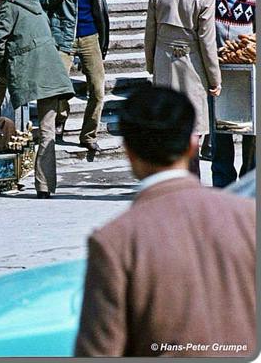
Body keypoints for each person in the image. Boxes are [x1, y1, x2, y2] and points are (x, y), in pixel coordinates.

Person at [75, 86, 255, 357]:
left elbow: (99, 352)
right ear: (193, 144)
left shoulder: (115, 242)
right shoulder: (249, 217)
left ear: (129, 152)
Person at [0, 0, 75, 199]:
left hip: (29, 68)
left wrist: (2, 66)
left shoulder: (7, 6)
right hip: (52, 71)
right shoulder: (33, 1)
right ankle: (44, 187)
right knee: (47, 132)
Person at [144, 0, 221, 177]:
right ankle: (191, 177)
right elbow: (207, 42)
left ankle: (165, 176)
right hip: (193, 64)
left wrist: (151, 64)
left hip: (163, 60)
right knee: (193, 125)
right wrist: (215, 80)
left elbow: (150, 32)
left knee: (166, 121)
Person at [39, 0, 109, 153]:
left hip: (90, 36)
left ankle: (88, 135)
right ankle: (60, 117)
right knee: (59, 87)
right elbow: (43, 1)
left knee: (97, 89)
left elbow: (100, 9)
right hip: (64, 36)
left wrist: (103, 39)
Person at [206, 0, 256, 187]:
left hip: (249, 78)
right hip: (218, 76)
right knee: (220, 133)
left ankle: (249, 182)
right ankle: (223, 185)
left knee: (252, 134)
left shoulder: (254, 0)